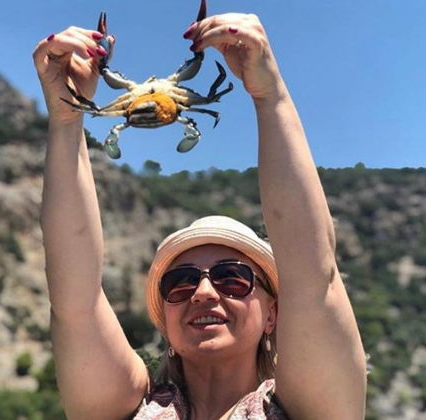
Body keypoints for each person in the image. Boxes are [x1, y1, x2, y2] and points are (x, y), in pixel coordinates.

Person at [33, 8, 367, 420]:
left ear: (273, 314)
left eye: (233, 278)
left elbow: (315, 277)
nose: (203, 292)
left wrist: (270, 95)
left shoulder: (313, 408)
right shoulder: (129, 407)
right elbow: (75, 302)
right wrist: (67, 118)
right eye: (180, 282)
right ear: (166, 318)